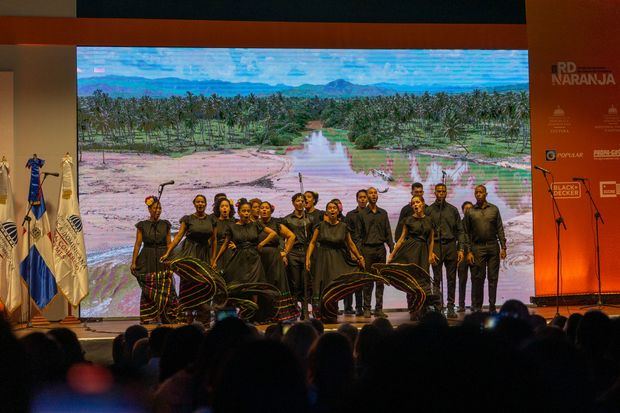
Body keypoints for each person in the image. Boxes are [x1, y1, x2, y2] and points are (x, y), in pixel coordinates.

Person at [306, 200, 366, 322]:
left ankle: (332, 314)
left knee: (335, 284)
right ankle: (321, 315)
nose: (332, 210)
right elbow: (312, 243)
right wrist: (308, 258)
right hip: (323, 258)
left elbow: (350, 244)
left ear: (338, 211)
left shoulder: (343, 226)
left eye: (334, 208)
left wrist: (359, 257)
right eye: (330, 208)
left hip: (338, 259)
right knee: (323, 285)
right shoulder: (320, 226)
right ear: (326, 211)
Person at [161, 194, 217, 323]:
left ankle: (204, 315)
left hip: (204, 253)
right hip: (190, 252)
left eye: (202, 202)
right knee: (189, 281)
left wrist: (213, 259)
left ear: (206, 204)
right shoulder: (188, 219)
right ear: (194, 204)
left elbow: (214, 241)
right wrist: (168, 252)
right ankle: (188, 314)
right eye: (198, 202)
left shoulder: (212, 220)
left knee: (204, 282)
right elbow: (179, 236)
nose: (200, 204)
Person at [130, 196, 178, 324]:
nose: (158, 210)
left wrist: (171, 258)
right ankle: (149, 317)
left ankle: (168, 316)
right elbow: (137, 244)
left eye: (160, 208)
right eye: (155, 208)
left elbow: (169, 244)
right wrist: (133, 261)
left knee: (166, 286)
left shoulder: (165, 224)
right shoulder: (142, 225)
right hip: (147, 257)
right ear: (149, 209)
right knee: (149, 290)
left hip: (163, 257)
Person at [388, 195, 436, 320]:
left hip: (423, 251)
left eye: (418, 202)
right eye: (413, 203)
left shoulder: (430, 220)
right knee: (411, 280)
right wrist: (392, 254)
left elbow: (431, 240)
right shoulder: (408, 220)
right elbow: (401, 239)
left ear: (423, 204)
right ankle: (413, 308)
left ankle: (424, 308)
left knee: (424, 279)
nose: (415, 205)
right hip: (410, 250)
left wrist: (431, 254)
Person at [214, 199, 278, 287]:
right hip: (239, 258)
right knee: (240, 283)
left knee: (255, 284)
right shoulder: (232, 227)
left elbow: (273, 233)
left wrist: (261, 244)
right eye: (244, 211)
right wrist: (215, 260)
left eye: (248, 211)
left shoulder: (256, 224)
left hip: (254, 258)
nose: (246, 213)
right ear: (239, 213)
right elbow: (225, 245)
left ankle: (254, 301)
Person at [463, 185, 507, 313]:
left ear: (486, 194)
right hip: (477, 247)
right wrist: (469, 251)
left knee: (493, 278)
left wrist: (503, 247)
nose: (478, 194)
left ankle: (492, 306)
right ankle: (478, 307)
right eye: (476, 192)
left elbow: (500, 228)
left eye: (481, 192)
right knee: (478, 278)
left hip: (493, 246)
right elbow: (466, 233)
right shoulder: (470, 211)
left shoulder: (494, 209)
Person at [427, 183, 465, 318]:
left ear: (446, 193)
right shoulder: (429, 210)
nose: (441, 193)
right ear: (435, 193)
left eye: (443, 191)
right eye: (439, 191)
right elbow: (426, 233)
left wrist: (460, 249)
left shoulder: (453, 210)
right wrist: (429, 252)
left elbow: (460, 231)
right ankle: (438, 307)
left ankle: (450, 307)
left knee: (451, 278)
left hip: (450, 246)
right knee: (436, 279)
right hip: (436, 246)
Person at [258, 201, 299, 321]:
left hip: (274, 258)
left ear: (271, 210)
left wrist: (285, 252)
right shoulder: (256, 224)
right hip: (260, 259)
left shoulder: (276, 224)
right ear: (259, 211)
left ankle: (279, 314)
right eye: (262, 208)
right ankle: (264, 315)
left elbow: (291, 236)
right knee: (263, 285)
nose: (264, 210)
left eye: (266, 208)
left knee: (276, 283)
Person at [358, 187, 393, 318]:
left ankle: (379, 308)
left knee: (380, 280)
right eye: (370, 193)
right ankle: (366, 308)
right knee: (368, 280)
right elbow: (358, 236)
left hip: (380, 249)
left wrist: (392, 248)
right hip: (367, 249)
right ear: (367, 196)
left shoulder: (383, 213)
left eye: (375, 193)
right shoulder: (362, 214)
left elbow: (388, 232)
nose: (373, 195)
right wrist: (359, 254)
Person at [281, 193, 314, 319]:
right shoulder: (287, 219)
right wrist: (284, 253)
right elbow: (282, 238)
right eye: (297, 201)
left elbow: (312, 240)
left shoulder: (309, 219)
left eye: (302, 201)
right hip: (293, 253)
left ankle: (305, 311)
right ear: (293, 203)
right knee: (294, 283)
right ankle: (294, 310)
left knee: (305, 283)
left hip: (306, 253)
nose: (300, 203)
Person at [343, 189, 368, 316]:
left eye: (365, 197)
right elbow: (347, 236)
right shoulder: (350, 215)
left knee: (363, 281)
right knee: (352, 280)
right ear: (357, 199)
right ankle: (348, 307)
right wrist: (352, 252)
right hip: (353, 250)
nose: (363, 199)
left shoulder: (371, 214)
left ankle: (360, 307)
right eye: (360, 197)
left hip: (367, 250)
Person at [457, 201, 474, 312]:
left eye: (470, 208)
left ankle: (474, 304)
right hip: (462, 255)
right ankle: (461, 305)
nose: (468, 210)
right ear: (462, 210)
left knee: (475, 280)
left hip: (474, 254)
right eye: (466, 208)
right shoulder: (459, 224)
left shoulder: (477, 223)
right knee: (462, 280)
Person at [213, 197, 236, 271]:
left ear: (230, 208)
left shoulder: (235, 222)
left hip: (230, 252)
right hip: (216, 251)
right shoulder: (214, 222)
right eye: (222, 206)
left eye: (227, 206)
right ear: (218, 209)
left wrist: (236, 245)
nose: (224, 208)